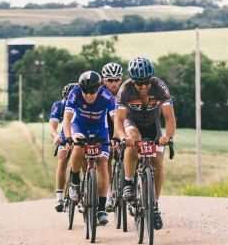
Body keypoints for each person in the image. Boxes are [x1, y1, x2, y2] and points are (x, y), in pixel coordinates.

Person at [114, 56, 176, 230]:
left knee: (157, 160)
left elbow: (169, 117)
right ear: (132, 82)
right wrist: (122, 137)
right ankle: (128, 182)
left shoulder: (160, 87)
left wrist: (168, 137)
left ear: (152, 80)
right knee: (133, 140)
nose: (143, 87)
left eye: (146, 83)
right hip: (132, 122)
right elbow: (119, 120)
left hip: (152, 124)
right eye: (139, 84)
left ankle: (154, 206)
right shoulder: (125, 90)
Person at [62, 70, 116, 226]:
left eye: (92, 92)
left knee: (103, 162)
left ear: (99, 88)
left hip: (101, 129)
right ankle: (74, 180)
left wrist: (117, 136)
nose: (89, 95)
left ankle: (101, 209)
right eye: (85, 92)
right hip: (80, 126)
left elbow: (116, 119)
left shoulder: (106, 96)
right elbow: (67, 119)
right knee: (78, 148)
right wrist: (68, 137)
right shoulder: (75, 93)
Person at [50, 82, 76, 212]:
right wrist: (55, 136)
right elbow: (53, 125)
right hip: (65, 136)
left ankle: (85, 189)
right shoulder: (59, 105)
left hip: (79, 134)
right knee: (62, 159)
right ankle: (59, 196)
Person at [101, 62, 123, 212]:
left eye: (116, 80)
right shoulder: (100, 92)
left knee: (129, 150)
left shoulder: (126, 91)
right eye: (110, 80)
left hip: (121, 124)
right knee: (107, 156)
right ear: (103, 80)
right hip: (105, 125)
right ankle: (109, 193)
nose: (114, 84)